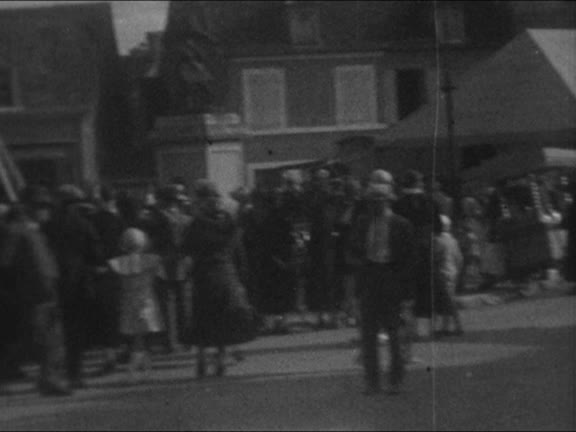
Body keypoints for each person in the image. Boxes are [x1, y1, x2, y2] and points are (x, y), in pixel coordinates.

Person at [347, 174, 415, 395]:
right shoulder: (362, 223)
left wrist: (407, 292)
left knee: (394, 334)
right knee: (368, 334)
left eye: (379, 200)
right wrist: (358, 267)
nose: (375, 204)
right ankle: (372, 381)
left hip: (391, 277)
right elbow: (352, 250)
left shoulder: (401, 225)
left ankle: (395, 380)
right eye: (372, 201)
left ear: (388, 200)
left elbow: (409, 260)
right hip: (369, 277)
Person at [182, 180, 258, 378]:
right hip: (225, 271)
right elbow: (237, 248)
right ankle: (221, 358)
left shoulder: (196, 224)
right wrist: (241, 274)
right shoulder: (228, 221)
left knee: (202, 315)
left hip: (203, 273)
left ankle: (201, 356)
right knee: (224, 315)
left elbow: (186, 249)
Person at [0, 188, 71, 396]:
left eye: (46, 206)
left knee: (51, 337)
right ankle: (48, 379)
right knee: (41, 338)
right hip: (34, 291)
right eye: (41, 206)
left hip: (46, 288)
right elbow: (6, 261)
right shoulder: (18, 231)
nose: (45, 211)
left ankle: (48, 378)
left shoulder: (34, 230)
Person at [44, 184, 103, 389]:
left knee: (53, 330)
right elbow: (96, 254)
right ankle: (75, 374)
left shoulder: (48, 225)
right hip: (79, 283)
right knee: (76, 330)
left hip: (53, 282)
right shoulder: (84, 225)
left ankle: (52, 374)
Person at [108, 228, 165, 382]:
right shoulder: (152, 260)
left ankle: (140, 371)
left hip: (128, 301)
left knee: (136, 338)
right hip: (147, 301)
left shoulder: (118, 263)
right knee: (143, 339)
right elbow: (161, 277)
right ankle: (139, 370)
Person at [432, 214, 464, 336]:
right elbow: (459, 258)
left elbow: (435, 257)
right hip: (452, 271)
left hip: (442, 272)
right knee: (448, 301)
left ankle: (457, 325)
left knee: (447, 301)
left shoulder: (437, 240)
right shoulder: (453, 240)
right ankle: (446, 327)